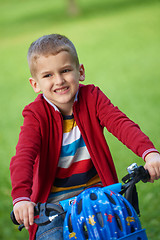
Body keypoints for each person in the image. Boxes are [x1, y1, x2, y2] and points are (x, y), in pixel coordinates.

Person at [10, 34, 160, 240]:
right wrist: (21, 197)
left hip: (98, 195)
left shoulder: (93, 98)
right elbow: (24, 156)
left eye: (65, 70)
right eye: (48, 76)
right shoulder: (36, 115)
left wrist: (149, 154)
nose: (59, 80)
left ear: (80, 71)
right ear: (35, 84)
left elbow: (122, 124)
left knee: (124, 230)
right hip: (54, 206)